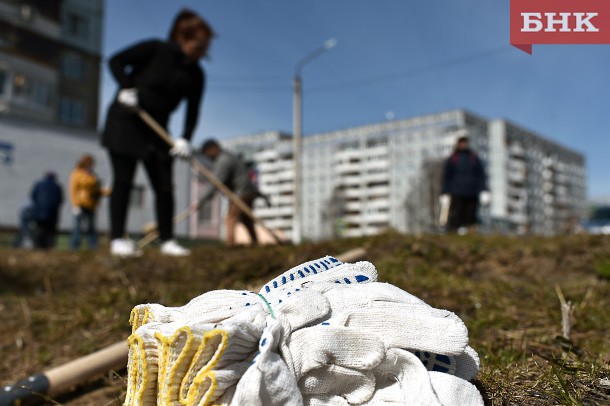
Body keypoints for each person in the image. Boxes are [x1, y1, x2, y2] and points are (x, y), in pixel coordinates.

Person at [101, 9, 215, 257]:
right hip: (127, 119)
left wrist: (185, 137)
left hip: (157, 129)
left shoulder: (196, 74)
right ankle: (118, 239)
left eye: (205, 47)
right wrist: (126, 87)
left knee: (164, 185)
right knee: (124, 180)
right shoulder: (155, 50)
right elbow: (116, 61)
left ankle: (167, 241)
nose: (202, 52)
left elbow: (192, 110)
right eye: (198, 45)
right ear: (183, 38)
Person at [199, 139, 265, 246]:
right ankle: (255, 242)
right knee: (246, 219)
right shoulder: (227, 156)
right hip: (247, 190)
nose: (208, 157)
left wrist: (201, 201)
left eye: (207, 153)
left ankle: (230, 244)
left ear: (213, 149)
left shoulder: (223, 160)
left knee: (231, 217)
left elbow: (216, 182)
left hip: (242, 191)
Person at [440, 135, 489, 234]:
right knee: (456, 215)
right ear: (458, 143)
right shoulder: (453, 158)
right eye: (461, 142)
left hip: (472, 192)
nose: (463, 144)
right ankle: (454, 233)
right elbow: (447, 176)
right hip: (456, 192)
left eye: (465, 142)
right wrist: (444, 192)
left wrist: (484, 189)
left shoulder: (473, 157)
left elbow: (481, 174)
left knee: (471, 216)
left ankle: (470, 233)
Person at [69, 154, 109, 250]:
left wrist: (106, 192)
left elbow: (95, 189)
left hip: (91, 204)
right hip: (80, 204)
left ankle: (93, 246)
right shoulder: (77, 173)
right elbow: (73, 189)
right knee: (77, 227)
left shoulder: (92, 174)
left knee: (92, 228)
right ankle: (74, 246)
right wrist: (75, 204)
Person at [30, 172, 64, 249]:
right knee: (50, 231)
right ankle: (49, 246)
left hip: (39, 213)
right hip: (52, 213)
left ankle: (38, 246)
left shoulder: (39, 185)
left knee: (40, 230)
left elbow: (33, 196)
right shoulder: (57, 187)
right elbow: (60, 199)